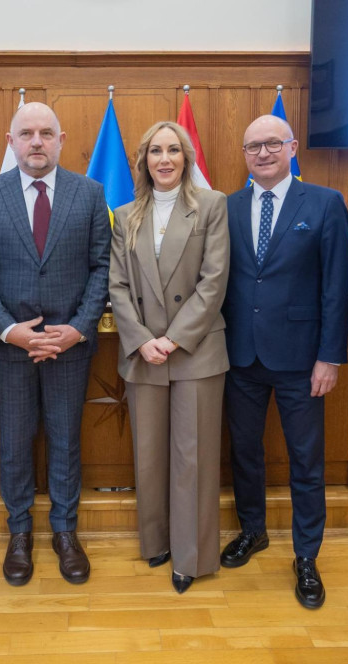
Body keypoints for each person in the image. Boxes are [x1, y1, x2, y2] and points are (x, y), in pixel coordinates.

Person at [0, 102, 110, 586]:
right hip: (11, 349)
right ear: (11, 142)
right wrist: (11, 330)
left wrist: (77, 328)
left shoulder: (90, 194)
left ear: (61, 140)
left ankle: (65, 533)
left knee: (67, 441)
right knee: (14, 443)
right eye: (26, 133)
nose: (36, 141)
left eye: (46, 133)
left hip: (70, 346)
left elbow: (101, 269)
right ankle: (19, 533)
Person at [220, 114, 348, 609]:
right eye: (253, 146)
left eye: (272, 143)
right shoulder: (226, 207)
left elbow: (337, 287)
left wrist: (329, 357)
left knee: (305, 461)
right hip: (240, 355)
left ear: (292, 147)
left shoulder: (324, 202)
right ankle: (253, 531)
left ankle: (306, 556)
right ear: (244, 155)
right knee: (245, 453)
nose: (262, 153)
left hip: (302, 360)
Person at [108, 121, 229, 593]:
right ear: (143, 160)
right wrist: (141, 340)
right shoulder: (126, 213)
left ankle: (192, 557)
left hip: (195, 350)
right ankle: (156, 542)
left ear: (186, 157)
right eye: (155, 151)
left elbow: (214, 281)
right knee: (151, 456)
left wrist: (174, 339)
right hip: (143, 353)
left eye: (173, 150)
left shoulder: (211, 206)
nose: (164, 159)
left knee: (193, 457)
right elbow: (117, 286)